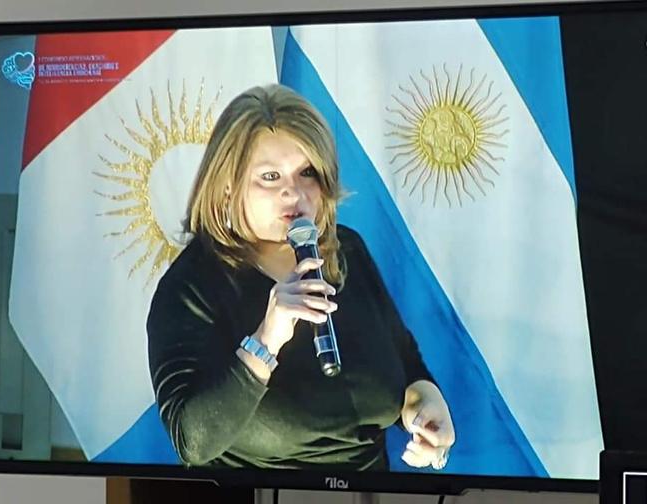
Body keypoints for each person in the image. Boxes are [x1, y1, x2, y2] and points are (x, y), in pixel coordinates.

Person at [146, 83, 455, 471]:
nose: (293, 193)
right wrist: (267, 340)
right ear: (228, 187)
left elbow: (406, 367)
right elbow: (192, 442)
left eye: (307, 173)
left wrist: (427, 410)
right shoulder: (191, 286)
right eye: (270, 176)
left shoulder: (346, 251)